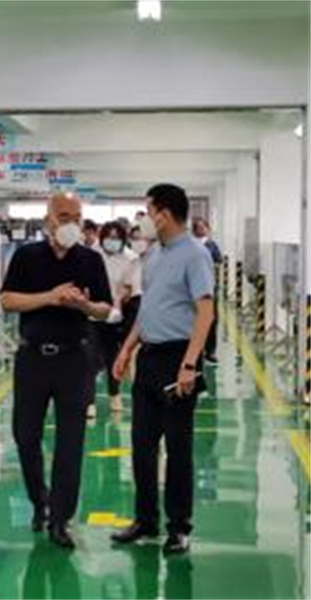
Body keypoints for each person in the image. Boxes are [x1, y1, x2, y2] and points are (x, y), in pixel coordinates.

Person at [0, 192, 112, 549]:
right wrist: (49, 297)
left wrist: (84, 306)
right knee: (25, 435)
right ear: (48, 218)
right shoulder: (27, 256)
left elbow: (105, 309)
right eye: (64, 216)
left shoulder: (90, 259)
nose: (71, 223)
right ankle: (40, 501)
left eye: (76, 217)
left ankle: (60, 519)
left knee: (70, 441)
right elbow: (7, 299)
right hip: (32, 358)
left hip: (74, 360)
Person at [111, 183, 215, 556]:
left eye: (149, 211)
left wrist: (189, 364)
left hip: (178, 358)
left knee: (178, 447)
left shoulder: (195, 255)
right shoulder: (154, 255)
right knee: (142, 445)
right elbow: (148, 308)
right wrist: (127, 348)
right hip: (150, 357)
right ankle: (145, 519)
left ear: (165, 215)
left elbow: (205, 312)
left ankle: (179, 527)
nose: (144, 219)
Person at [89, 221, 136, 416]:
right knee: (90, 357)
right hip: (92, 313)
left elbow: (130, 286)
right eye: (109, 237)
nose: (112, 241)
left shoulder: (131, 258)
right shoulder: (92, 254)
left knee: (113, 356)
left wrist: (118, 302)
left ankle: (114, 394)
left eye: (117, 238)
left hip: (117, 315)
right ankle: (89, 401)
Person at [191, 217, 222, 364]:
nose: (201, 230)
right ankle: (196, 351)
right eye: (198, 227)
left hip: (209, 287)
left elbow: (219, 260)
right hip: (192, 289)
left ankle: (210, 351)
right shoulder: (190, 245)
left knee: (211, 319)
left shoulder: (211, 245)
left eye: (203, 227)